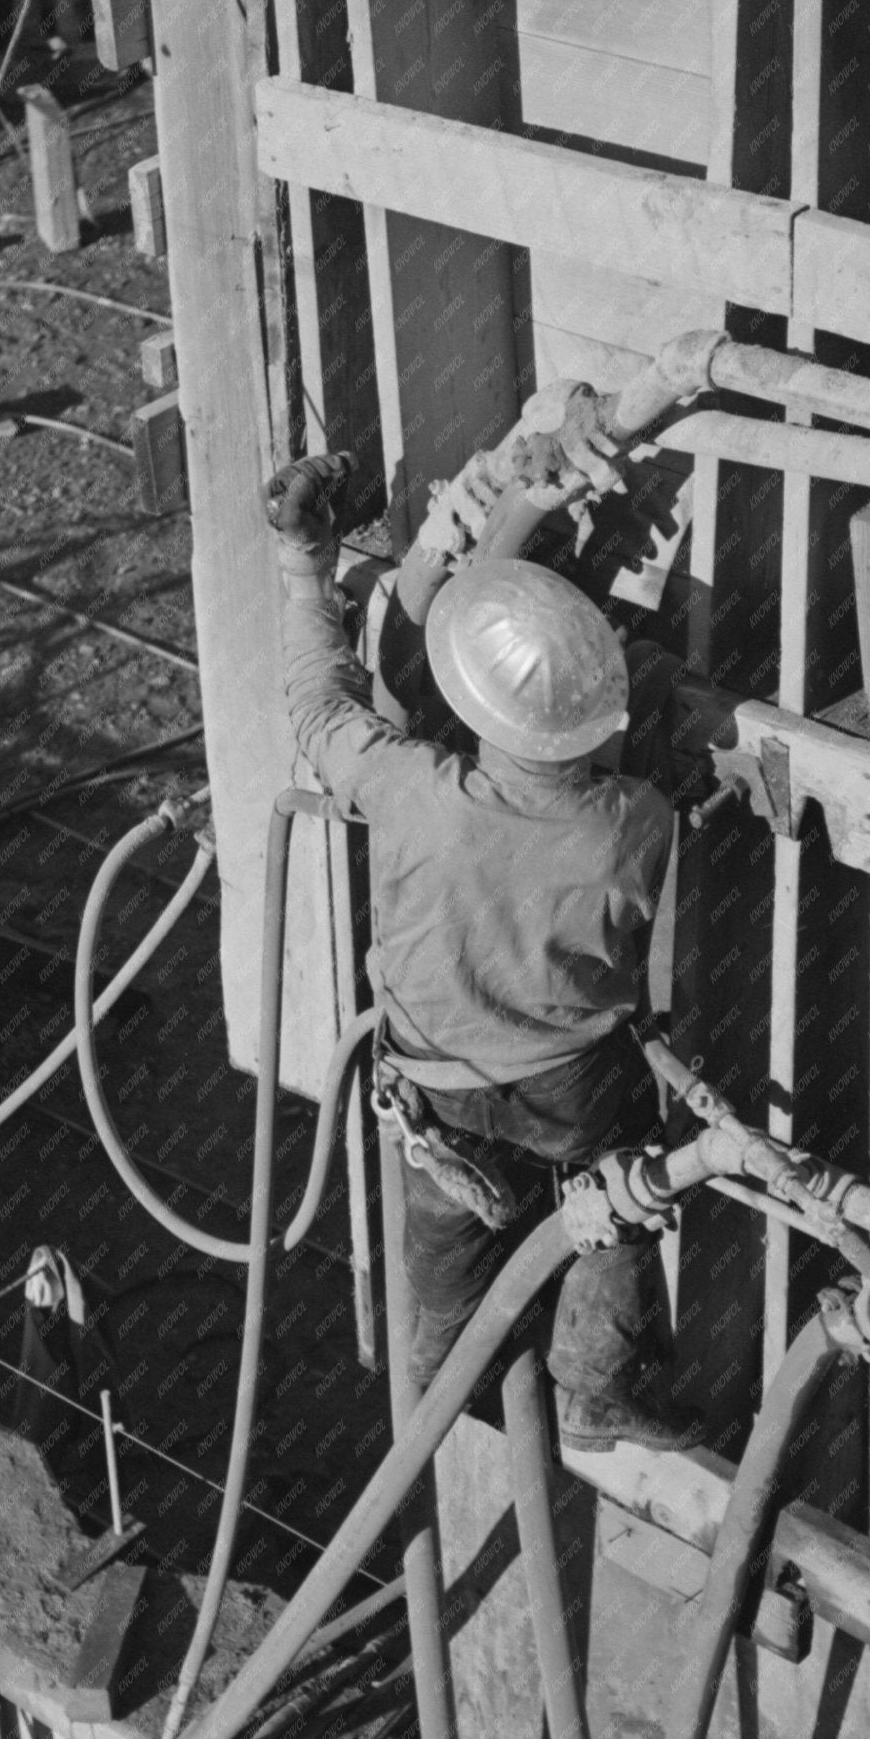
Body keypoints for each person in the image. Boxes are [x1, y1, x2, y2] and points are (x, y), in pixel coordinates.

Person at [274, 453, 705, 1453]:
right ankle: (596, 1380)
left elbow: (320, 707)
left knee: (444, 1246)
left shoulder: (411, 788)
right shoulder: (632, 821)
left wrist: (307, 573)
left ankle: (440, 1380)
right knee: (625, 1189)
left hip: (437, 1089)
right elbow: (624, 786)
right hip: (574, 1090)